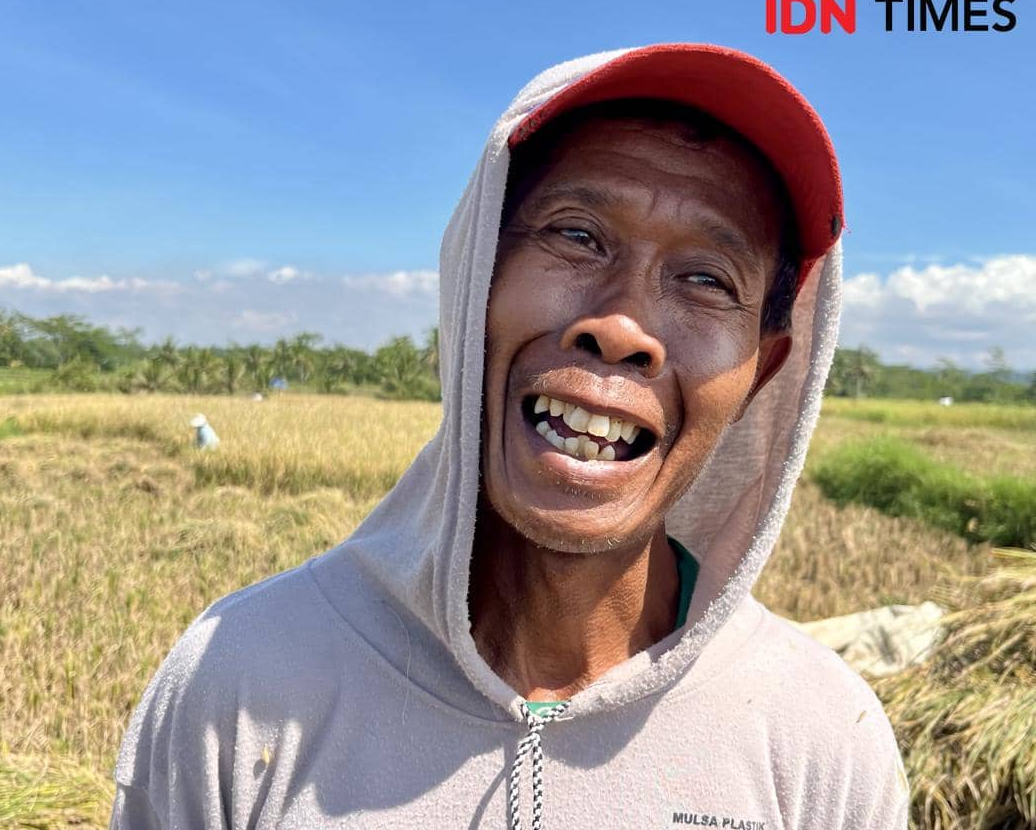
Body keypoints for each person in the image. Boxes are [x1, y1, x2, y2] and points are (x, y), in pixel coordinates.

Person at [110, 43, 909, 829]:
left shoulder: (821, 743)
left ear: (760, 375)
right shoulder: (242, 679)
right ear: (474, 280)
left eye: (707, 279)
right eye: (577, 235)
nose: (623, 326)